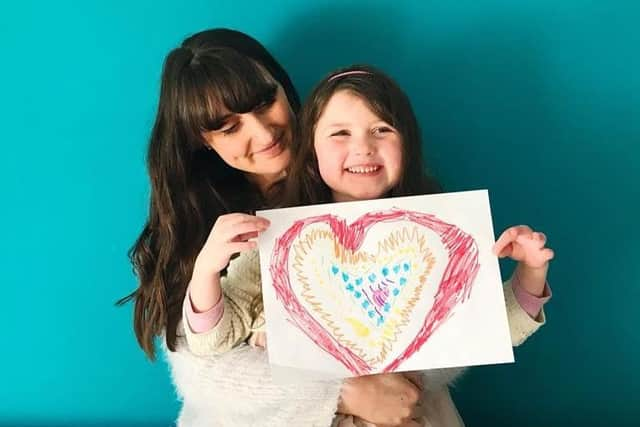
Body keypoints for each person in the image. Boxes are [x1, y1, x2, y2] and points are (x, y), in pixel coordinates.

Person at [177, 62, 553, 427]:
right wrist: (206, 271)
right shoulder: (274, 242)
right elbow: (211, 340)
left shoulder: (441, 237)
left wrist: (531, 272)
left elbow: (487, 329)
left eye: (383, 130)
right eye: (340, 134)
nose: (363, 148)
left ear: (408, 144)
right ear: (311, 150)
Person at [119, 29, 438, 427]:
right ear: (200, 140)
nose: (263, 133)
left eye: (265, 102)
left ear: (284, 88)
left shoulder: (354, 178)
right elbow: (202, 374)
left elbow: (443, 325)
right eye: (228, 126)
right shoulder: (203, 228)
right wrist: (345, 391)